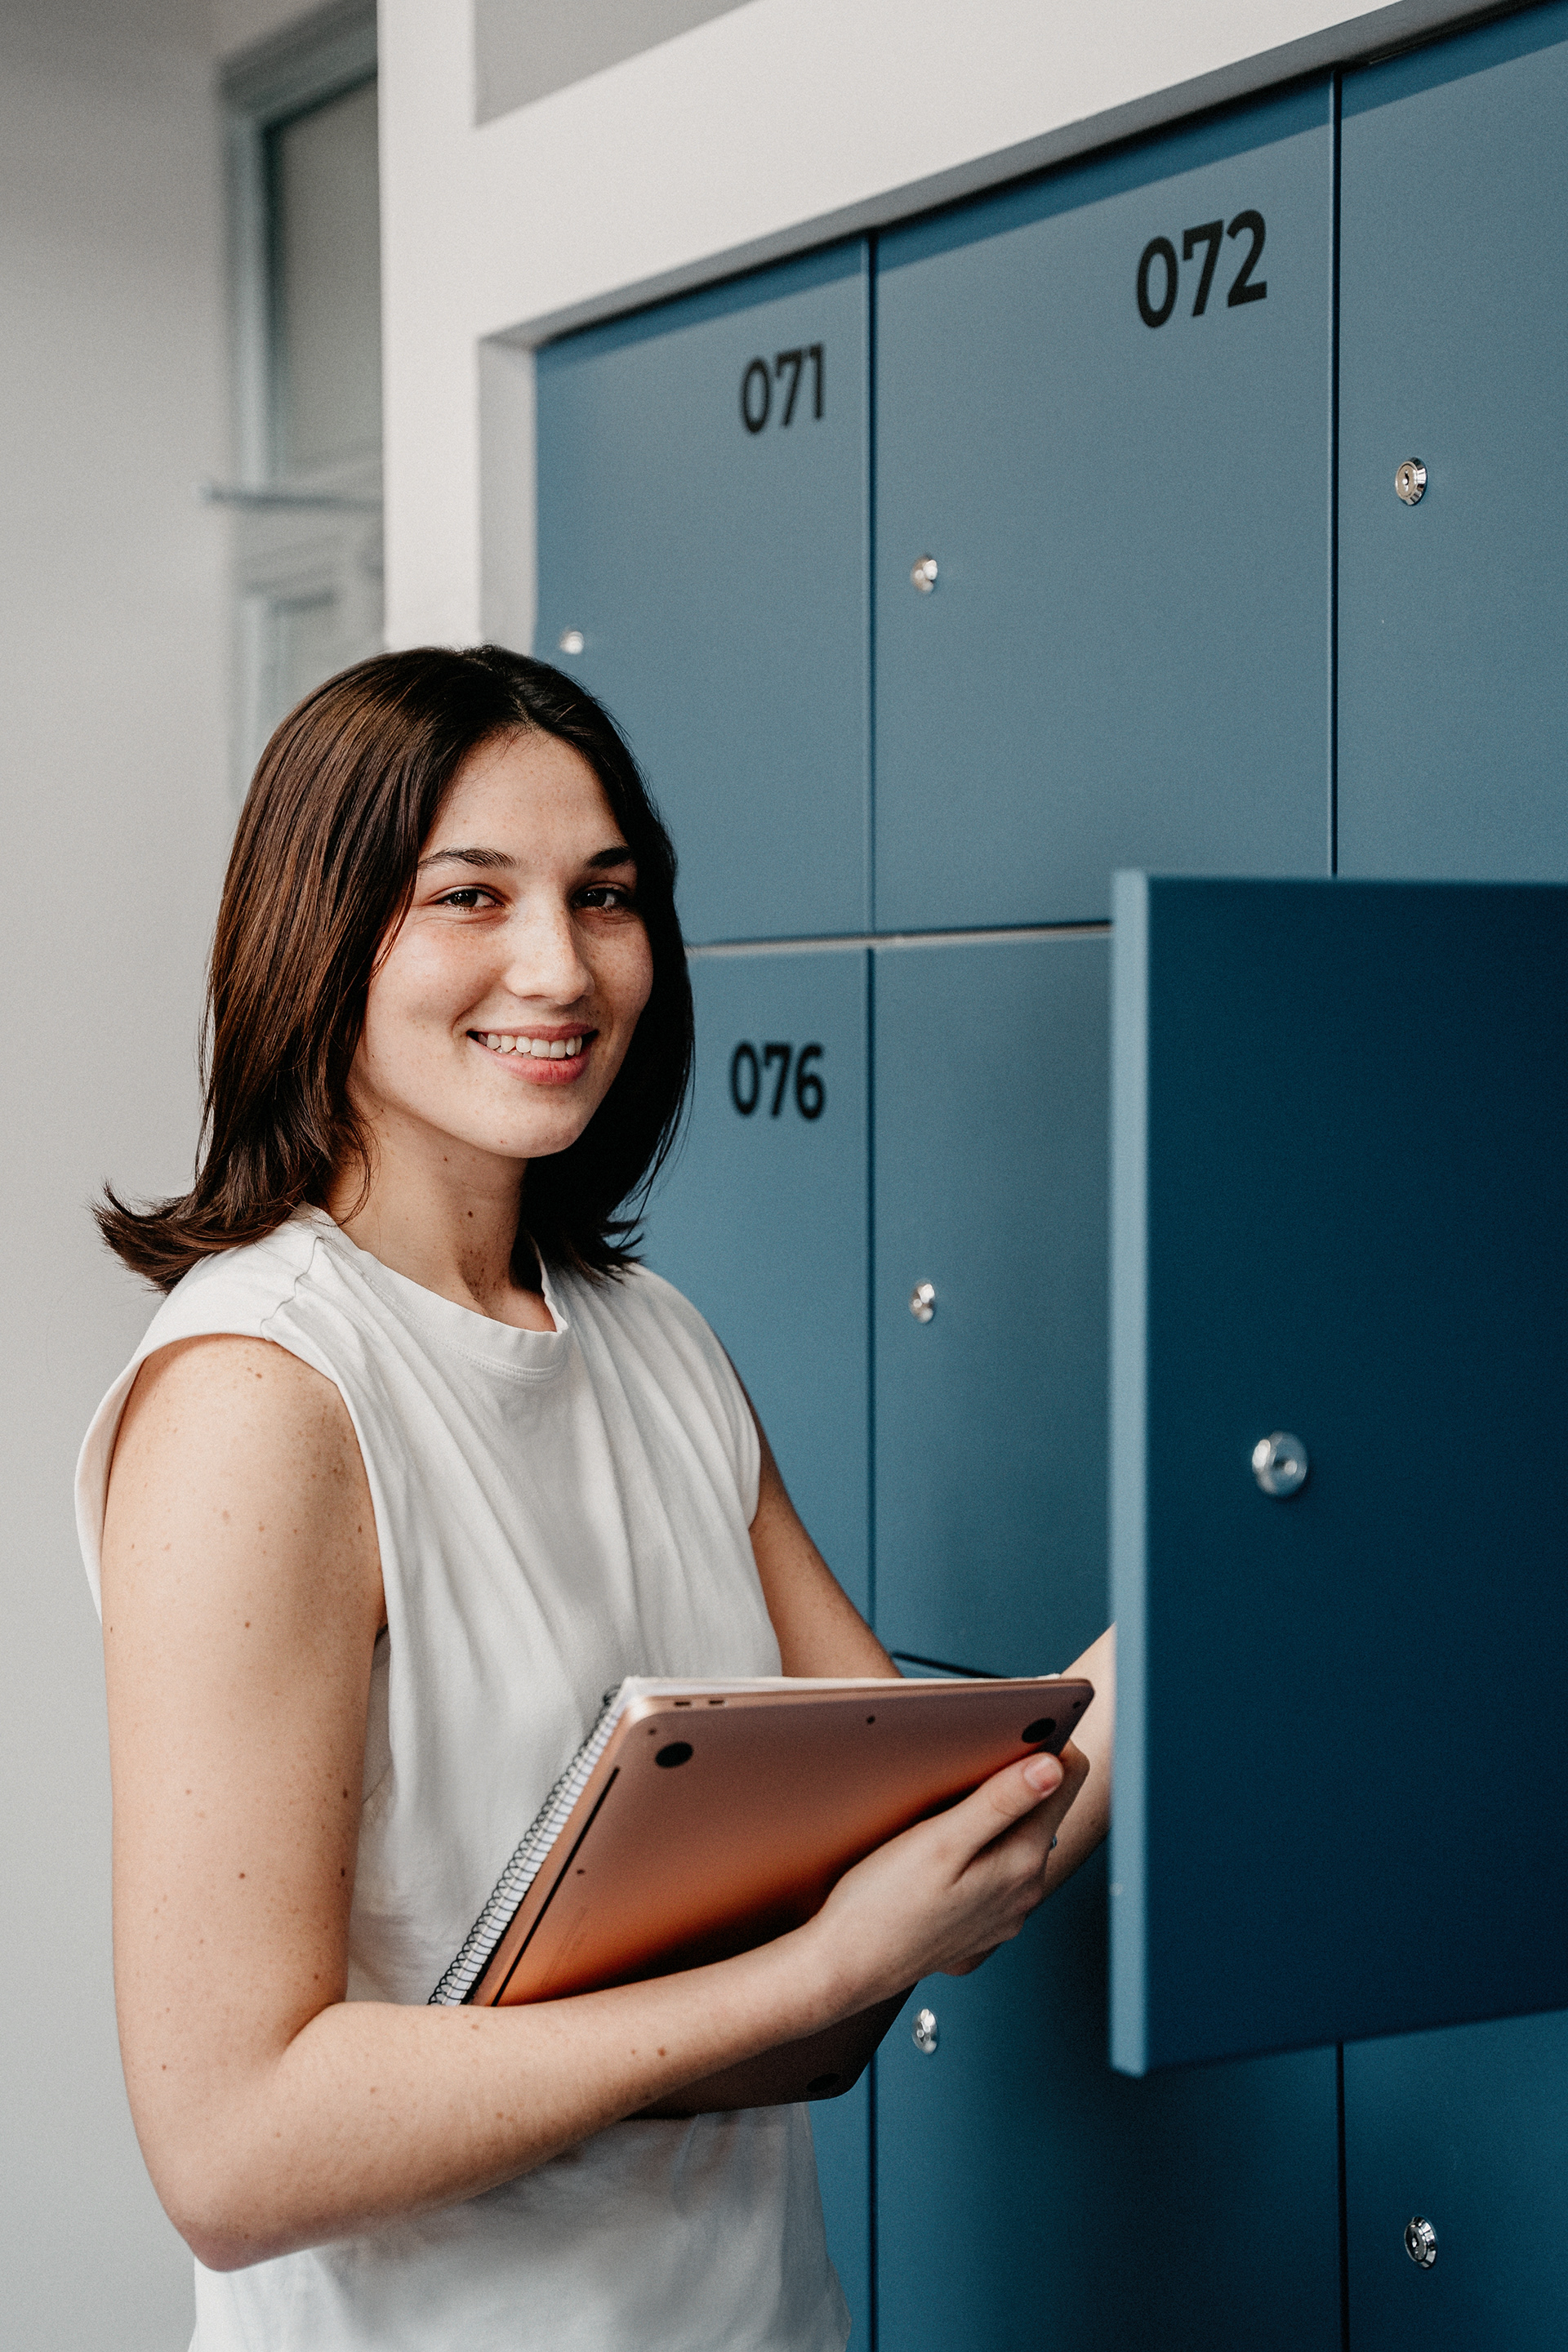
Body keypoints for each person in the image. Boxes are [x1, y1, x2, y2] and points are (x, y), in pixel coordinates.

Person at [78, 645, 1114, 2352]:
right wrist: (824, 1976)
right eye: (469, 897)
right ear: (319, 935)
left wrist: (1246, 1572)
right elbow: (229, 2144)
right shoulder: (261, 1398)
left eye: (606, 896)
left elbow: (944, 1837)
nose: (560, 966)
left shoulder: (654, 1340)